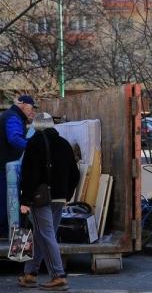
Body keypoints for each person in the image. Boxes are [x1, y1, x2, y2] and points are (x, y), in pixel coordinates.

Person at [18, 113, 79, 290]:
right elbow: (75, 174)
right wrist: (66, 194)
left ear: (35, 126)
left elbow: (30, 175)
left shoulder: (34, 144)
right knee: (40, 234)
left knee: (45, 235)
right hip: (59, 198)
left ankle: (58, 275)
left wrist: (25, 199)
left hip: (39, 199)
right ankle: (30, 274)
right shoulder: (64, 144)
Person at [0, 95, 37, 236]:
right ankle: (4, 233)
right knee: (5, 200)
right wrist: (33, 148)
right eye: (31, 106)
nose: (32, 110)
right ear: (22, 104)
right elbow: (14, 138)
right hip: (4, 167)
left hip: (4, 165)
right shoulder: (14, 117)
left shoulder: (11, 115)